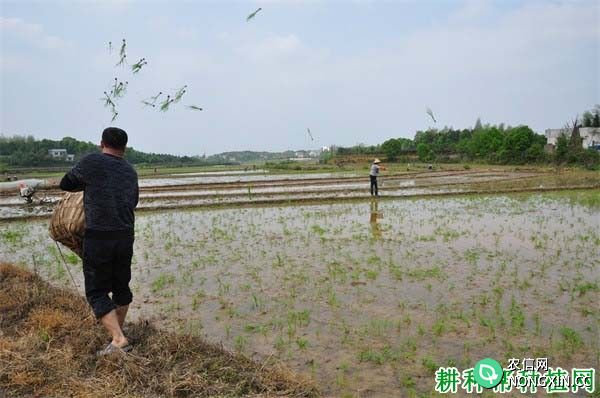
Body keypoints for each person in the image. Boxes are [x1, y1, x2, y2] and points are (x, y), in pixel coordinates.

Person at [60, 127, 139, 355]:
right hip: (125, 236)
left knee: (96, 291)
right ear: (124, 147)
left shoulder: (92, 161)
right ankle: (119, 337)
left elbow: (66, 183)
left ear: (101, 143)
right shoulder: (130, 170)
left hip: (99, 237)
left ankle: (118, 338)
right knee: (121, 288)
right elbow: (132, 202)